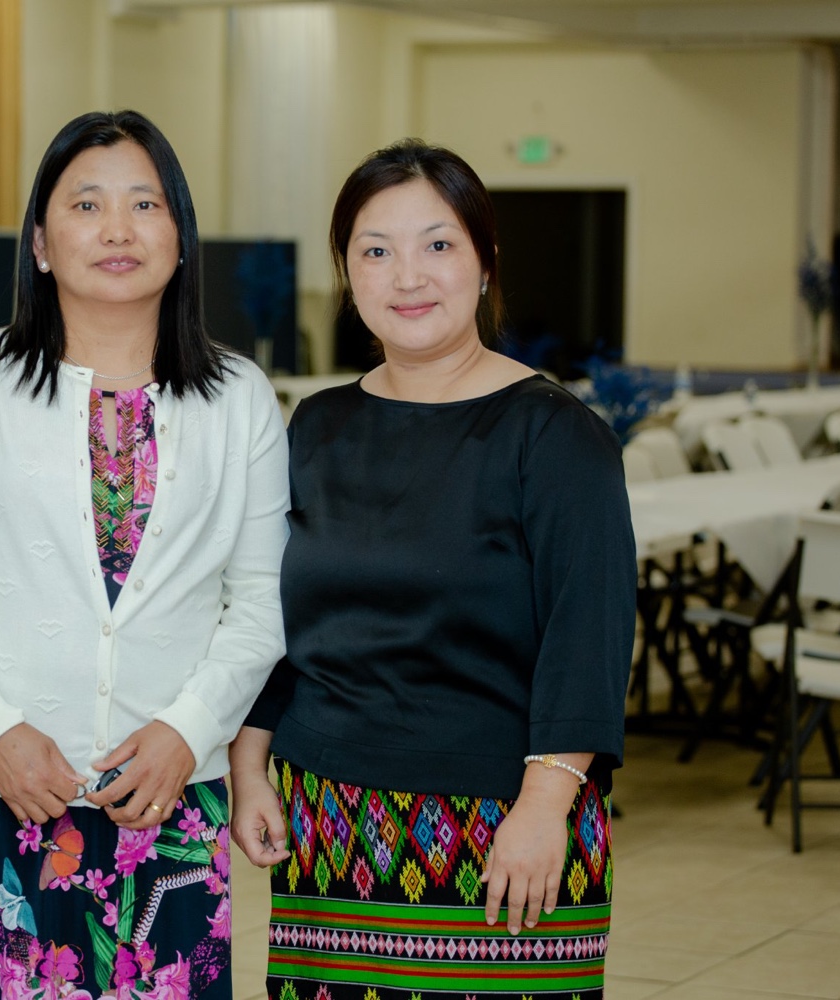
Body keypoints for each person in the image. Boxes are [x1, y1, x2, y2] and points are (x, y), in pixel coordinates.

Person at [229, 139, 635, 1000]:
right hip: (328, 824)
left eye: (438, 245)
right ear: (348, 275)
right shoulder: (318, 426)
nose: (407, 276)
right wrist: (250, 765)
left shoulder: (555, 435)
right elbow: (279, 614)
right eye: (376, 251)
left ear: (485, 263)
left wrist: (545, 807)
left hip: (501, 822)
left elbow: (589, 636)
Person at [0, 109, 288, 1000]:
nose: (118, 229)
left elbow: (261, 598)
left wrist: (190, 731)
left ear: (181, 240)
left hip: (171, 803)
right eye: (86, 204)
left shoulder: (240, 400)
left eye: (145, 204)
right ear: (40, 243)